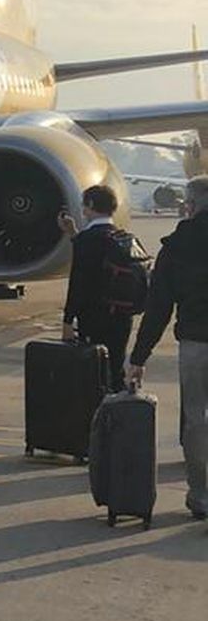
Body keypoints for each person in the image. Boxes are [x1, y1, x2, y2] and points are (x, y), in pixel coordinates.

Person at [126, 176, 208, 519]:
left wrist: (138, 356)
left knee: (196, 420)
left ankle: (202, 496)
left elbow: (158, 307)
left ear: (189, 205)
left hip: (196, 342)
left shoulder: (177, 245)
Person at [60, 183, 137, 391]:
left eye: (84, 206)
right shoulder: (122, 237)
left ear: (91, 205)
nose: (83, 211)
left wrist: (68, 320)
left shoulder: (87, 240)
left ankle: (99, 416)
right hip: (122, 316)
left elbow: (78, 284)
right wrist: (73, 234)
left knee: (95, 372)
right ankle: (119, 409)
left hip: (94, 317)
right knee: (115, 366)